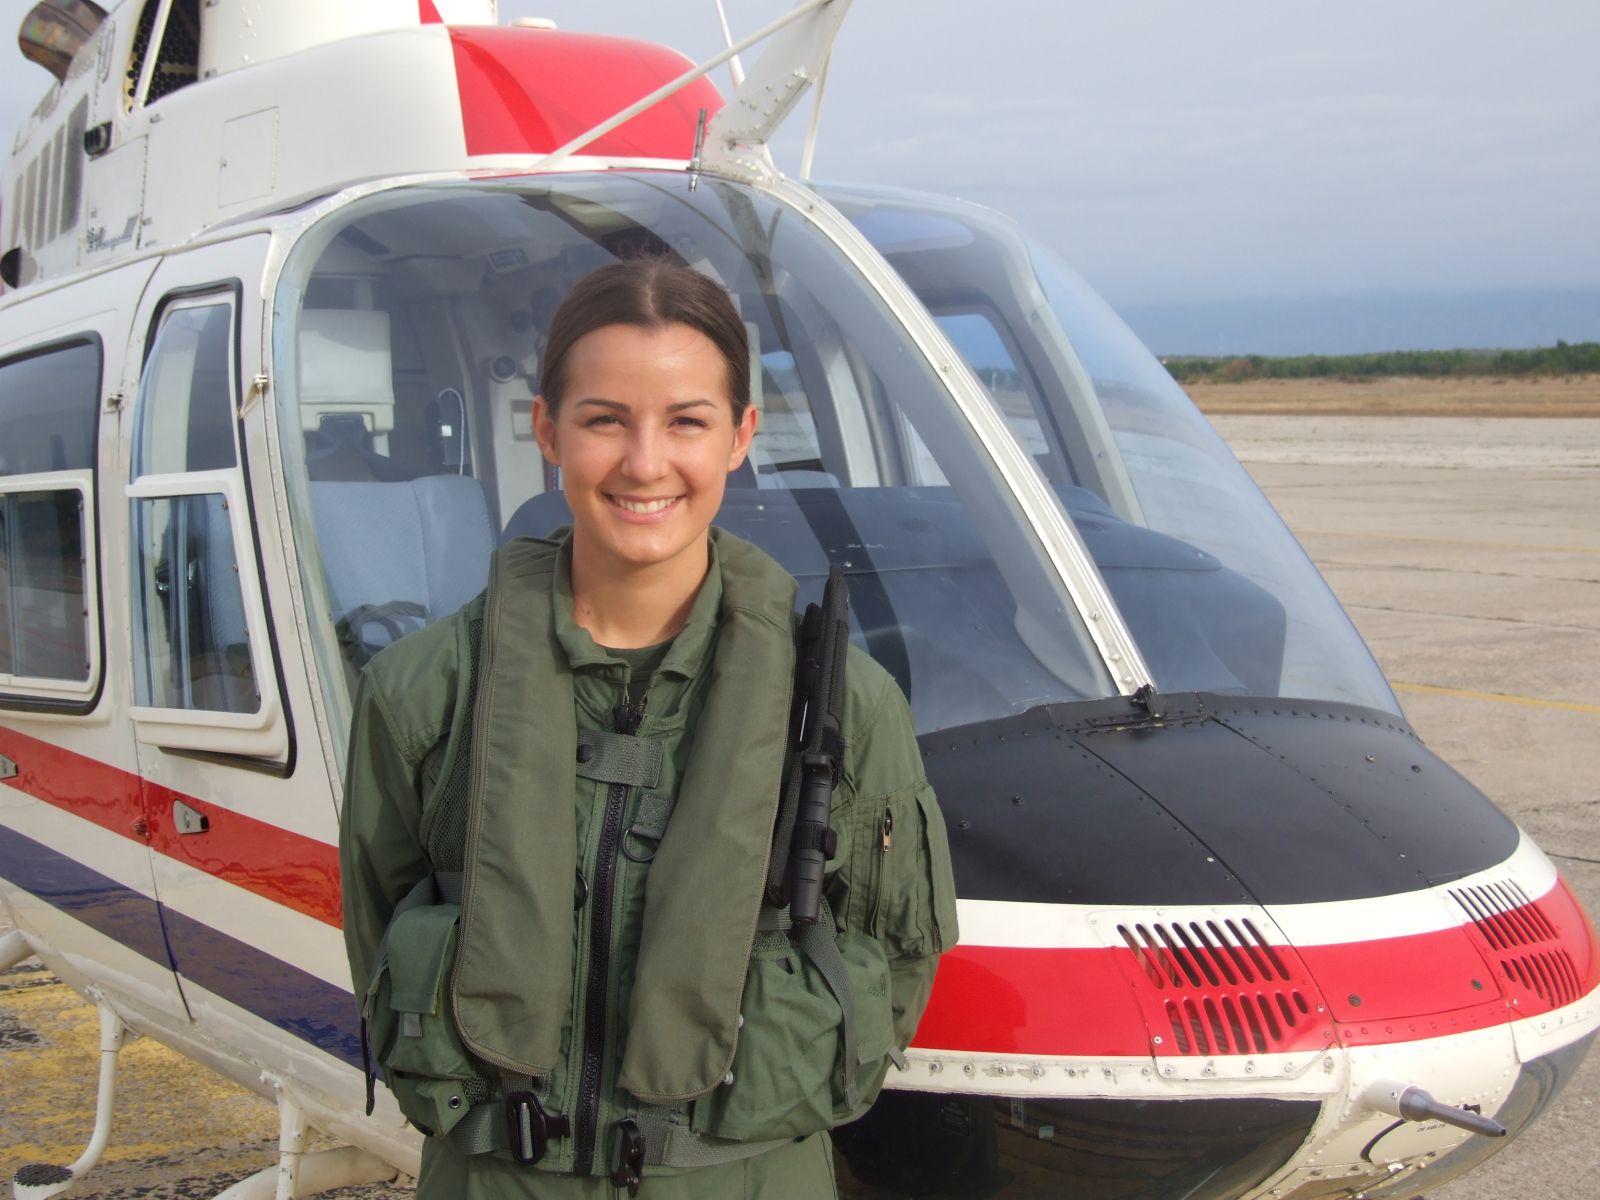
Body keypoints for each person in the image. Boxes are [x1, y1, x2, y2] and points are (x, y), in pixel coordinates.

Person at [340, 260, 958, 1198]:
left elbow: (894, 966)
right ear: (547, 429)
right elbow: (380, 936)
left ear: (740, 435)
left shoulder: (840, 709)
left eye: (686, 422)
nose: (644, 462)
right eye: (604, 420)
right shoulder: (424, 694)